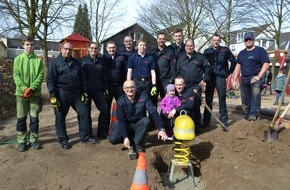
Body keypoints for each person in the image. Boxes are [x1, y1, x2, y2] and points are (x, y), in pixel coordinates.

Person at [46, 42, 96, 149]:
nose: (68, 51)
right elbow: (50, 80)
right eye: (66, 49)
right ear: (61, 49)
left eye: (70, 50)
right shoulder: (55, 63)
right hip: (62, 93)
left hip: (77, 93)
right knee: (60, 116)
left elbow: (82, 78)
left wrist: (85, 91)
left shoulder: (76, 63)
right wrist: (53, 95)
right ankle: (63, 140)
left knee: (84, 112)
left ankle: (85, 136)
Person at [109, 80, 168, 153]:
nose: (130, 90)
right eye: (127, 88)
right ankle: (132, 139)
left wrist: (161, 129)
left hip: (139, 124)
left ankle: (138, 144)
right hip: (127, 125)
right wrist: (125, 137)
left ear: (135, 88)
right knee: (112, 139)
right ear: (124, 89)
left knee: (146, 120)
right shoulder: (121, 102)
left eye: (132, 87)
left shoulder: (143, 97)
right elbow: (121, 121)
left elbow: (153, 112)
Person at [13, 36, 44, 152]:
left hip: (34, 95)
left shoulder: (38, 60)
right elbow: (16, 75)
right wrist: (24, 88)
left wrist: (31, 88)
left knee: (34, 118)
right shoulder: (18, 60)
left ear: (34, 46)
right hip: (21, 94)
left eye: (31, 45)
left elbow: (40, 76)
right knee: (21, 118)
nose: (29, 47)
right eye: (27, 44)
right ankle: (21, 141)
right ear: (23, 45)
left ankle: (33, 139)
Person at [232, 32, 270, 121]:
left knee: (255, 92)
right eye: (246, 40)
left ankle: (254, 114)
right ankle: (247, 115)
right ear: (244, 41)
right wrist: (234, 80)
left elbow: (266, 63)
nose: (248, 41)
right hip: (244, 78)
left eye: (250, 39)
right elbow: (238, 66)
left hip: (255, 77)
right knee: (245, 99)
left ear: (253, 40)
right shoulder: (241, 53)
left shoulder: (260, 51)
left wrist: (258, 76)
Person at [176, 39, 211, 128]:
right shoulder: (181, 58)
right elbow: (177, 71)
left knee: (195, 105)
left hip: (196, 86)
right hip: (184, 87)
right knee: (184, 105)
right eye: (187, 46)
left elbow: (207, 68)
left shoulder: (200, 57)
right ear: (185, 47)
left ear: (194, 46)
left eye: (191, 46)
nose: (189, 47)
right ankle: (186, 125)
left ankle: (197, 126)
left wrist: (204, 80)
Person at [203, 34, 236, 128]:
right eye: (214, 40)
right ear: (211, 41)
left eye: (217, 40)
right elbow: (204, 64)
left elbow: (233, 61)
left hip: (221, 77)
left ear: (220, 41)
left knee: (222, 98)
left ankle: (223, 121)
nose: (216, 42)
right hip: (210, 77)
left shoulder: (225, 50)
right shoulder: (207, 51)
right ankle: (206, 121)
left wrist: (229, 72)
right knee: (208, 99)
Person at [80, 42, 110, 140]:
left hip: (98, 90)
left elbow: (105, 76)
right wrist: (82, 91)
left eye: (96, 48)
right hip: (87, 91)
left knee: (105, 110)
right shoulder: (83, 61)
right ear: (88, 49)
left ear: (98, 49)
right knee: (86, 112)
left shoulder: (101, 61)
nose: (94, 50)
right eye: (92, 48)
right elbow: (80, 77)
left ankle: (102, 133)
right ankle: (88, 135)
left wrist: (105, 88)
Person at [103, 40, 127, 138]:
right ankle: (104, 131)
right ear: (106, 49)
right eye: (110, 48)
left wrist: (125, 83)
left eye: (113, 47)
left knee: (122, 108)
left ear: (116, 48)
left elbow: (125, 71)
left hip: (119, 86)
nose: (112, 49)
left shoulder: (121, 57)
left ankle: (125, 129)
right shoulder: (103, 58)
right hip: (108, 87)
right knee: (106, 109)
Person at [150, 32, 176, 106]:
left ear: (165, 40)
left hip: (165, 80)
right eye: (160, 39)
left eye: (163, 39)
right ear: (157, 40)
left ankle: (164, 117)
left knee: (166, 102)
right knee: (153, 101)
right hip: (154, 80)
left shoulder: (170, 52)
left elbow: (173, 67)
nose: (161, 40)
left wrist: (171, 79)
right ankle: (153, 118)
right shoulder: (152, 52)